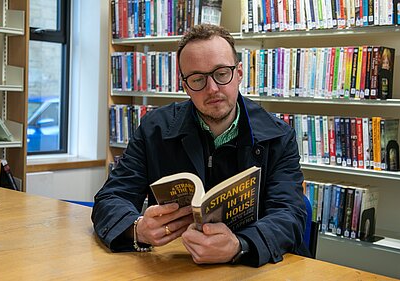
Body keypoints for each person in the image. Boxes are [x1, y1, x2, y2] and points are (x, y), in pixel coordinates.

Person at [92, 24, 308, 266]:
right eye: (197, 79)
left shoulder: (279, 136)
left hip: (251, 270)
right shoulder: (154, 130)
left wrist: (240, 245)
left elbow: (290, 214)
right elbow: (110, 198)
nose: (212, 88)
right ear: (184, 86)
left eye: (221, 73)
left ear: (238, 73)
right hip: (173, 266)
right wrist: (137, 229)